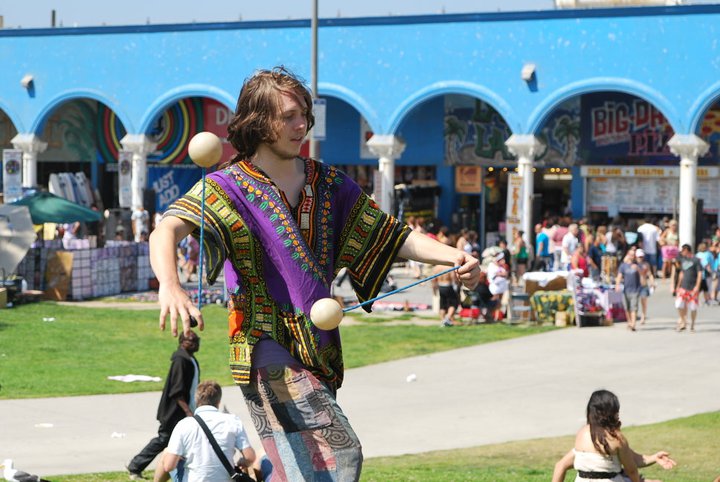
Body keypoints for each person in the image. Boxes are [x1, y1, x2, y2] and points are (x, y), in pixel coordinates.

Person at [148, 66, 481, 481]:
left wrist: (453, 256)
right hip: (262, 345)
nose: (301, 124)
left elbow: (392, 236)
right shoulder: (225, 187)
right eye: (288, 115)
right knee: (339, 459)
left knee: (301, 470)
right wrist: (170, 284)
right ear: (258, 120)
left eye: (305, 114)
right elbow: (167, 229)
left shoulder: (329, 184)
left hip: (320, 348)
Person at [551, 389, 676, 482]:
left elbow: (560, 465)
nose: (618, 415)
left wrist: (654, 458)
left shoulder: (582, 434)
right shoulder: (616, 438)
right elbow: (631, 470)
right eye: (616, 411)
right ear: (610, 413)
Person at [127, 331, 201, 480]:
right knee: (164, 439)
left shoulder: (189, 359)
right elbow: (176, 391)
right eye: (190, 341)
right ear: (182, 342)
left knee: (181, 440)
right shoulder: (181, 360)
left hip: (182, 411)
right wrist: (188, 412)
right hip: (173, 412)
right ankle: (135, 466)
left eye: (196, 340)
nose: (194, 343)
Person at [154, 380, 256, 482]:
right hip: (226, 478)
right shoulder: (233, 421)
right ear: (218, 402)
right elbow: (250, 457)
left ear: (196, 401)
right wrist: (242, 462)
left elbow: (169, 466)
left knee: (167, 452)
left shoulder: (184, 424)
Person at [674, 244, 702, 333]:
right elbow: (682, 273)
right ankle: (684, 321)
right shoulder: (683, 260)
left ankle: (692, 325)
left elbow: (700, 274)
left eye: (683, 250)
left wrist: (697, 286)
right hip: (683, 287)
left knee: (693, 307)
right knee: (678, 304)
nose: (682, 252)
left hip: (692, 287)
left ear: (687, 250)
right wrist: (678, 285)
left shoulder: (696, 260)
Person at [615, 252, 641, 331]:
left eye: (633, 255)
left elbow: (643, 275)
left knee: (634, 307)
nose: (631, 256)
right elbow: (619, 276)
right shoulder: (623, 266)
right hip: (626, 290)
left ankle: (633, 324)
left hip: (635, 290)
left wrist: (638, 269)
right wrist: (617, 285)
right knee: (627, 308)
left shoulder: (637, 265)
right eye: (630, 254)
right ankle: (629, 321)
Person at [431, 260, 460, 327]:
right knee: (453, 303)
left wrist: (434, 290)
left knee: (442, 304)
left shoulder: (436, 268)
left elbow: (433, 280)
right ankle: (447, 318)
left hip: (441, 286)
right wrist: (457, 286)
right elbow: (454, 278)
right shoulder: (449, 267)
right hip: (448, 286)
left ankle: (443, 321)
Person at [635, 249, 655, 325]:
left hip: (643, 285)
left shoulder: (646, 264)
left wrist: (652, 282)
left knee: (644, 302)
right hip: (636, 286)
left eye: (641, 256)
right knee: (635, 302)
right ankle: (635, 316)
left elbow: (649, 274)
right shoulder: (634, 265)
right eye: (639, 257)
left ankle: (643, 316)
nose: (640, 258)